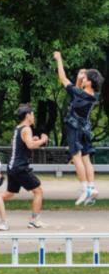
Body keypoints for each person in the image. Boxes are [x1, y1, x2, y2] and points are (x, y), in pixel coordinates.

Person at [0, 104, 48, 228]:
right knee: (38, 191)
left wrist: (34, 139)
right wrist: (42, 140)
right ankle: (34, 220)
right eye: (33, 114)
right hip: (20, 167)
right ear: (28, 115)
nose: (34, 116)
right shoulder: (26, 129)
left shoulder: (18, 128)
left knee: (9, 193)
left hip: (12, 166)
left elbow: (24, 143)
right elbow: (30, 145)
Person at [53, 51, 104, 205]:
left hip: (74, 127)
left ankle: (85, 188)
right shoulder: (92, 95)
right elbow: (77, 91)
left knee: (76, 157)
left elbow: (63, 79)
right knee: (86, 159)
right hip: (85, 128)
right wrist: (81, 76)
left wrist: (59, 59)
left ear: (88, 82)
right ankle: (92, 186)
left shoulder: (82, 94)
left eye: (85, 78)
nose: (83, 79)